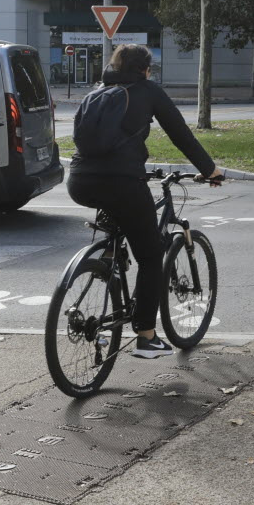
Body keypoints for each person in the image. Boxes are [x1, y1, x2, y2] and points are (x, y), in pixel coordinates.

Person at [66, 44, 225, 359]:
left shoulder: (99, 91)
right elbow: (181, 135)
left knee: (119, 218)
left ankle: (108, 260)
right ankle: (146, 335)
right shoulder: (148, 91)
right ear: (145, 69)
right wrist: (211, 170)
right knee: (152, 255)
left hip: (80, 181)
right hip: (122, 182)